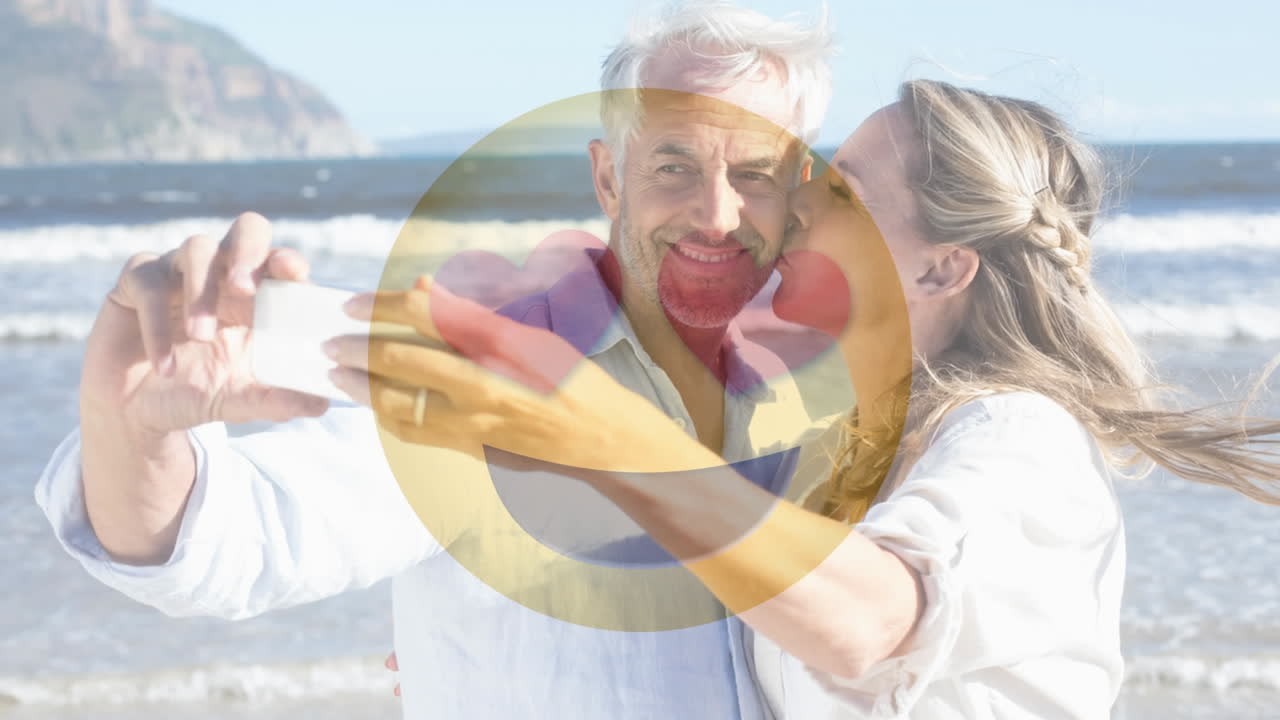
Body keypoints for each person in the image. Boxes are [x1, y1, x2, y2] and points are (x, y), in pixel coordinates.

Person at [329, 79, 1280, 718]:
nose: (786, 202)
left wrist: (602, 434)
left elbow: (866, 622)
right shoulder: (836, 439)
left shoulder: (1016, 439)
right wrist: (506, 655)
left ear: (942, 267)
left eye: (839, 189)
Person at [34, 3, 835, 718]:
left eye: (755, 172)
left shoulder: (824, 403)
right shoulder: (477, 375)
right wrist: (132, 428)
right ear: (608, 177)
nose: (718, 213)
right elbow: (244, 540)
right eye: (675, 166)